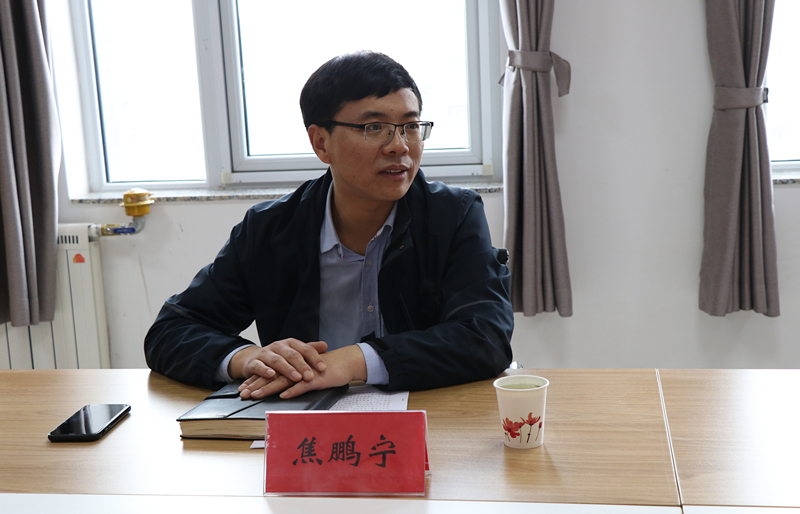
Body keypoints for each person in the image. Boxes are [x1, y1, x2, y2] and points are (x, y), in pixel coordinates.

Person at [144, 51, 513, 400]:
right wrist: (247, 358)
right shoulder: (270, 229)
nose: (399, 146)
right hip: (302, 420)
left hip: (426, 414)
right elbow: (171, 330)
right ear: (321, 143)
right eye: (375, 127)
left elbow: (487, 336)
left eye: (410, 126)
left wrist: (353, 361)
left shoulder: (453, 216)